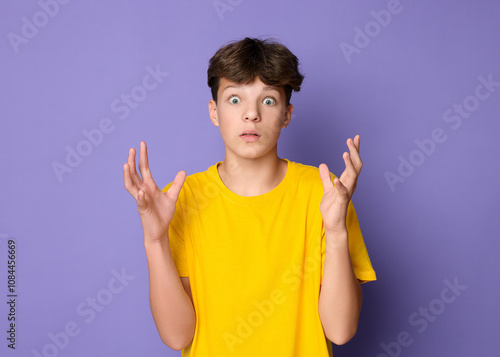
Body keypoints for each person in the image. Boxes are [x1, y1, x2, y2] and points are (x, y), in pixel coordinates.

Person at [123, 37, 376, 356]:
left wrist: (337, 232)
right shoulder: (184, 200)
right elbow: (177, 336)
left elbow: (340, 331)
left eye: (268, 100)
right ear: (214, 112)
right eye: (234, 100)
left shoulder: (325, 194)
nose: (251, 114)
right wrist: (155, 240)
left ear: (286, 114)